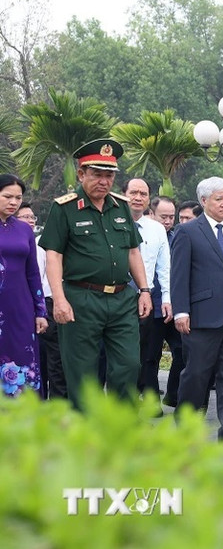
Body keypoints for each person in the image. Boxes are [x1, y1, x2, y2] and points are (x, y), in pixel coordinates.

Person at [40, 140, 152, 408]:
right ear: (81, 174)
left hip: (122, 299)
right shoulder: (64, 207)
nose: (104, 181)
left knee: (129, 363)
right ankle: (85, 425)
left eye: (109, 175)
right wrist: (59, 299)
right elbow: (53, 256)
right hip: (81, 298)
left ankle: (119, 421)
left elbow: (133, 252)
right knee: (82, 371)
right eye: (97, 174)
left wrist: (145, 290)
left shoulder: (121, 206)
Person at [171, 176, 223, 441]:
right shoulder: (187, 231)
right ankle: (186, 422)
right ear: (204, 200)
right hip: (201, 316)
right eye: (219, 199)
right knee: (196, 373)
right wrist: (181, 311)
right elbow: (179, 275)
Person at [123, 178, 171, 403]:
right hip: (115, 295)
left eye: (143, 194)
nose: (138, 198)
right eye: (133, 193)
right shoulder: (110, 222)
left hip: (145, 298)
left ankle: (140, 399)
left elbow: (164, 267)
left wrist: (167, 298)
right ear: (123, 195)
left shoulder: (156, 229)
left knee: (145, 353)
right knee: (117, 354)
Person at [0, 175, 48, 397]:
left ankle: (24, 410)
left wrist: (40, 311)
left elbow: (33, 273)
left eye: (18, 198)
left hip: (21, 307)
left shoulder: (24, 229)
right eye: (7, 196)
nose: (13, 202)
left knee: (23, 357)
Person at [18, 201, 66, 398]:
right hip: (32, 305)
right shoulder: (30, 245)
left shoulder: (41, 242)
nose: (30, 221)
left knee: (56, 359)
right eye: (25, 217)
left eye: (32, 217)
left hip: (52, 304)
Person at [148, 196, 184, 408]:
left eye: (172, 217)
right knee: (150, 356)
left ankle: (173, 394)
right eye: (163, 217)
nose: (168, 221)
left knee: (182, 351)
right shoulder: (141, 235)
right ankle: (151, 400)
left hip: (175, 306)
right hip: (151, 305)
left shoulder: (178, 237)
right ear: (151, 214)